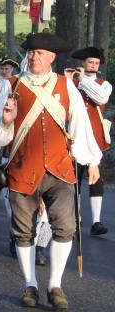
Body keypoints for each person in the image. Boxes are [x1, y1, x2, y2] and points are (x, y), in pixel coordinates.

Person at [0, 33, 102, 310]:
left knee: (65, 229)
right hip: (22, 169)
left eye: (39, 53)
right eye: (31, 53)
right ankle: (30, 284)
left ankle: (54, 285)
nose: (34, 56)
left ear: (51, 57)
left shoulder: (65, 85)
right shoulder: (11, 86)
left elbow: (80, 124)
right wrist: (5, 120)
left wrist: (91, 160)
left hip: (61, 170)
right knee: (23, 232)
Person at [68, 46, 113, 236]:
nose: (93, 65)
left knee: (97, 182)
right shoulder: (73, 83)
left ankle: (96, 221)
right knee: (75, 180)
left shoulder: (104, 84)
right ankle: (76, 218)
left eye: (96, 63)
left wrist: (83, 80)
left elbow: (100, 97)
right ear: (83, 63)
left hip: (96, 140)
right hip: (76, 138)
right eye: (90, 62)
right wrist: (72, 81)